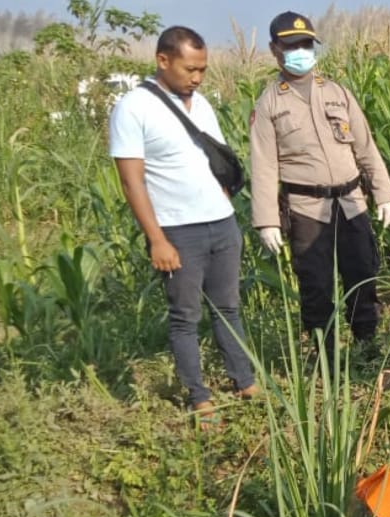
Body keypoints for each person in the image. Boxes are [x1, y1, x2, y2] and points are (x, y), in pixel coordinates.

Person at [109, 26, 257, 427]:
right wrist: (157, 238)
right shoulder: (133, 107)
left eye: (203, 69)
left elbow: (217, 158)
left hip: (221, 225)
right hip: (178, 231)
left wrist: (225, 204)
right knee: (185, 317)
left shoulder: (202, 103)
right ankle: (199, 397)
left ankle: (244, 382)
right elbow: (131, 180)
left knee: (228, 308)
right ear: (162, 60)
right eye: (190, 68)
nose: (197, 77)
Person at [249, 11, 390, 356]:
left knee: (362, 272)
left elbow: (365, 146)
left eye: (305, 44)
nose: (300, 51)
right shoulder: (270, 103)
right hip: (306, 208)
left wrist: (384, 193)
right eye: (291, 45)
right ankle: (325, 353)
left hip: (351, 201)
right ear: (275, 49)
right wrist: (267, 220)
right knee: (316, 284)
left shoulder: (336, 92)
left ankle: (366, 344)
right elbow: (264, 165)